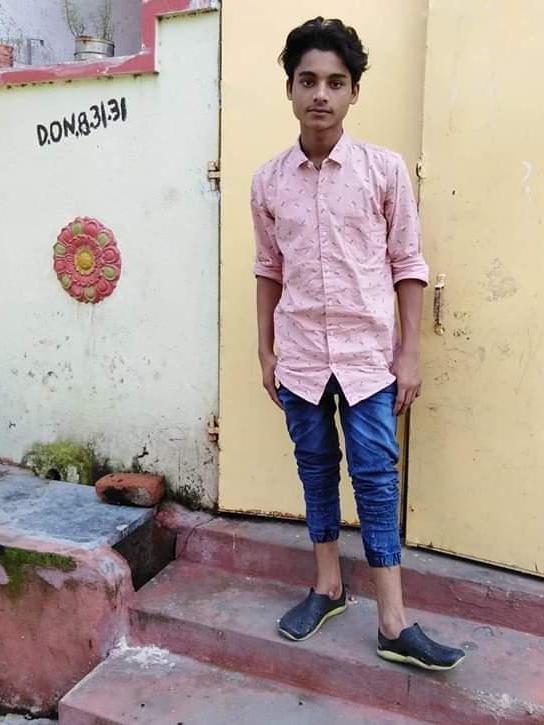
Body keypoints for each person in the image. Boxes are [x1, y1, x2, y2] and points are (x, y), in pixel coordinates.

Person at [251, 16, 465, 671]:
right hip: (299, 358)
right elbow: (268, 268)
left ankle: (393, 621)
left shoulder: (384, 171)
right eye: (308, 80)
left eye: (335, 82)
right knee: (315, 469)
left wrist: (409, 353)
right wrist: (265, 349)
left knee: (374, 477)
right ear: (290, 88)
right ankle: (327, 587)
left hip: (369, 359)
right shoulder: (269, 181)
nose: (321, 94)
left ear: (353, 92)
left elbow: (408, 263)